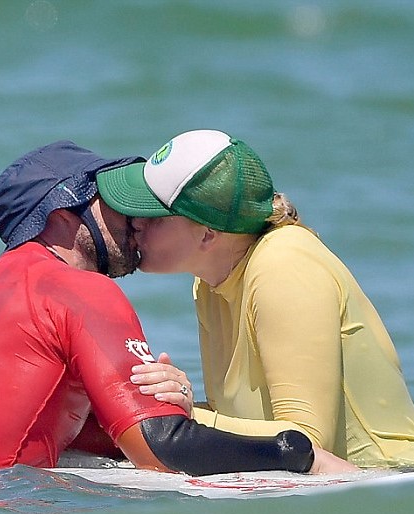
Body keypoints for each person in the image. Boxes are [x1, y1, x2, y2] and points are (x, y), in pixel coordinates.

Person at [0, 139, 349, 475]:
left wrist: (169, 406)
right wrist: (296, 454)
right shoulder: (76, 288)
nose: (136, 219)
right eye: (112, 204)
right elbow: (161, 448)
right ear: (62, 218)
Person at [96, 129, 414, 468]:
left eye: (153, 214)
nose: (136, 223)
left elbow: (305, 442)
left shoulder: (284, 264)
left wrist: (186, 416)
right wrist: (164, 406)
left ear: (208, 234)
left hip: (384, 478)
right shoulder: (210, 282)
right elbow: (245, 422)